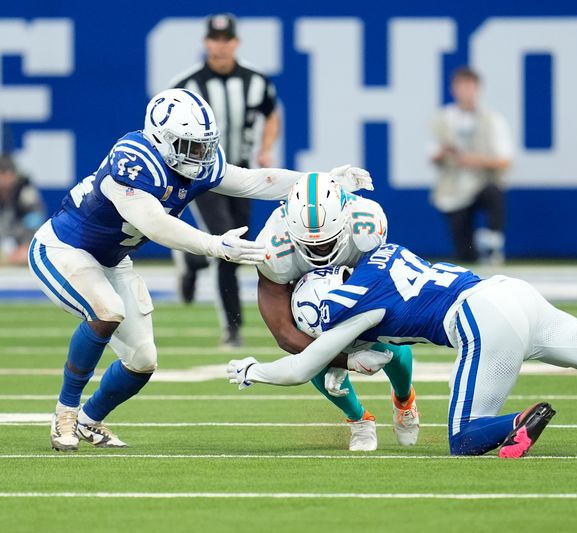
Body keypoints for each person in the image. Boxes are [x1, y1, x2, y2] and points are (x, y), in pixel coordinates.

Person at [30, 87, 371, 451]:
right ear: (161, 139)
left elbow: (253, 181)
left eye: (204, 144)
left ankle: (89, 420)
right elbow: (155, 224)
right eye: (190, 145)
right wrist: (216, 245)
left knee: (143, 360)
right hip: (63, 248)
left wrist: (323, 182)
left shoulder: (194, 161)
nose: (201, 154)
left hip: (112, 259)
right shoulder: (132, 162)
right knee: (107, 311)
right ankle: (65, 413)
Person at [228, 244, 577, 458]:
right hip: (513, 292)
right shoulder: (376, 253)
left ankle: (521, 420)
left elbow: (302, 365)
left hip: (482, 321)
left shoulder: (344, 310)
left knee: (463, 439)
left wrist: (254, 370)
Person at [253, 173, 418, 451]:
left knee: (389, 338)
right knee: (310, 339)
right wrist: (345, 360)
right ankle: (359, 419)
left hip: (359, 285)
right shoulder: (273, 247)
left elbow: (382, 290)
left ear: (344, 221)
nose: (318, 249)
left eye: (327, 242)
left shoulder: (366, 224)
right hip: (308, 297)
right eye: (310, 243)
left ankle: (405, 400)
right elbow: (283, 332)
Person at [171, 13, 282, 347]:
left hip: (242, 174)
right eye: (215, 39)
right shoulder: (187, 84)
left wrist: (265, 150)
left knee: (236, 243)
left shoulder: (256, 80)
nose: (220, 46)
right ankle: (232, 327)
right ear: (206, 42)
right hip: (202, 174)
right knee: (226, 244)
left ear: (236, 42)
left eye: (226, 39)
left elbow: (271, 113)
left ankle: (192, 260)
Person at [430, 67, 513, 265]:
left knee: (494, 193)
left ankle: (493, 241)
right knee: (464, 254)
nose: (465, 91)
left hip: (483, 182)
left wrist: (473, 160)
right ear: (453, 89)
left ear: (478, 89)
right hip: (454, 189)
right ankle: (476, 252)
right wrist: (445, 152)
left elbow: (505, 160)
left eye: (469, 86)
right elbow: (433, 156)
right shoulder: (443, 119)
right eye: (460, 86)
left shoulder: (493, 120)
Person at [0, 155, 46, 265]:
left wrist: (26, 247)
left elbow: (36, 221)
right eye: (2, 174)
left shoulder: (26, 192)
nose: (6, 179)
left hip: (21, 246)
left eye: (9, 174)